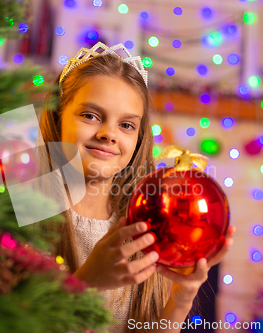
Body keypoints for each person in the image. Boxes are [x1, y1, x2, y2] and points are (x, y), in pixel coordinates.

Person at [35, 42, 235, 333]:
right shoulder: (25, 212)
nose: (108, 134)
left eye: (126, 125)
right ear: (57, 116)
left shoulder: (147, 225)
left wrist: (182, 299)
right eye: (90, 116)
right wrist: (87, 282)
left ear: (140, 138)